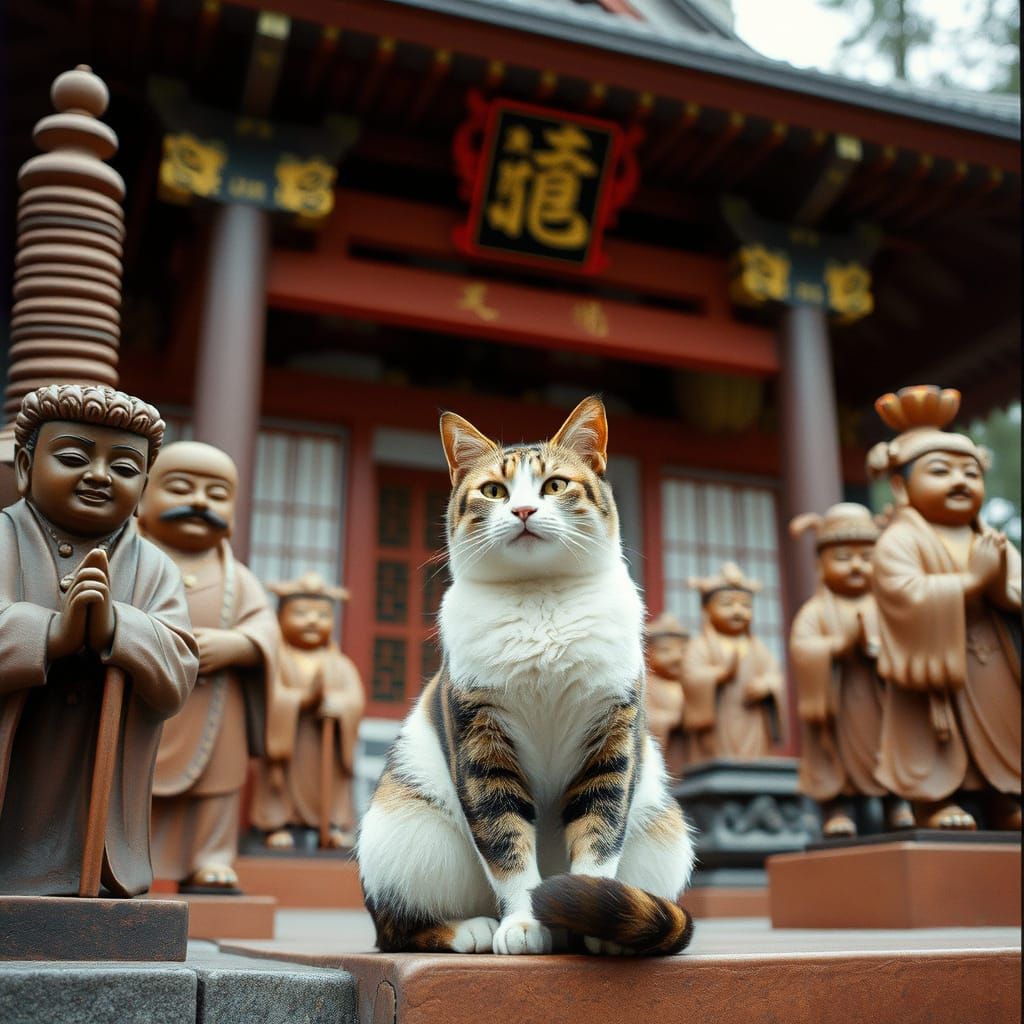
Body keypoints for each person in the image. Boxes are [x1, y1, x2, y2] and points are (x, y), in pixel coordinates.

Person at [0, 384, 197, 896]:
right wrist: (49, 633)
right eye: (72, 457)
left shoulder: (155, 568)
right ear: (25, 466)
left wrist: (120, 629)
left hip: (100, 777)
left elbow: (178, 668)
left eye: (125, 468)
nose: (98, 475)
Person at [867, 384, 1021, 830]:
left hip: (990, 658)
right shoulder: (901, 538)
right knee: (934, 737)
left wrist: (1000, 592)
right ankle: (936, 802)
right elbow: (901, 593)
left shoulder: (991, 540)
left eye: (971, 473)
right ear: (900, 485)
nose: (960, 481)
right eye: (941, 471)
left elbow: (1016, 588)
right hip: (933, 665)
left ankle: (1004, 800)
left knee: (1004, 727)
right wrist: (970, 582)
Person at [137, 440, 280, 891]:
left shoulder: (239, 577)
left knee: (218, 783)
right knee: (130, 777)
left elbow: (266, 631)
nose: (200, 502)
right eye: (180, 488)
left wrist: (238, 644)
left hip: (217, 701)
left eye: (217, 494)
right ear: (142, 494)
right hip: (146, 699)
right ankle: (123, 856)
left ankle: (211, 858)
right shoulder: (129, 559)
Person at [789, 503, 913, 837]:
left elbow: (908, 644)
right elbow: (803, 649)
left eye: (866, 557)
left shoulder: (885, 606)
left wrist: (882, 651)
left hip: (881, 698)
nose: (857, 565)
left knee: (893, 745)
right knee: (834, 755)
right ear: (820, 564)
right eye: (843, 558)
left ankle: (896, 802)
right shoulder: (815, 612)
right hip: (839, 704)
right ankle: (837, 808)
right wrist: (840, 645)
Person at [251, 573, 365, 849]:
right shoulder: (277, 660)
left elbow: (355, 699)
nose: (313, 621)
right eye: (301, 613)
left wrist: (339, 707)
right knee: (279, 783)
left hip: (326, 744)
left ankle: (333, 824)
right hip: (288, 741)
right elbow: (268, 697)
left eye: (322, 615)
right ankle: (278, 824)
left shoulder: (341, 664)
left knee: (332, 783)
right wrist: (303, 699)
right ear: (280, 618)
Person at [682, 562, 784, 762]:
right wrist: (720, 674)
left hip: (753, 720)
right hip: (719, 720)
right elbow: (690, 676)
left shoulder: (758, 648)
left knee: (756, 762)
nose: (738, 611)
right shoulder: (700, 646)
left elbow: (776, 676)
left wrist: (767, 686)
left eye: (745, 605)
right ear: (707, 610)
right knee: (719, 758)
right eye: (727, 604)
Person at [643, 612, 689, 778]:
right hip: (665, 749)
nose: (677, 657)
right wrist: (668, 719)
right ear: (648, 654)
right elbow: (644, 717)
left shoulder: (688, 684)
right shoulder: (647, 685)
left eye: (682, 651)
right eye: (666, 650)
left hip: (686, 751)